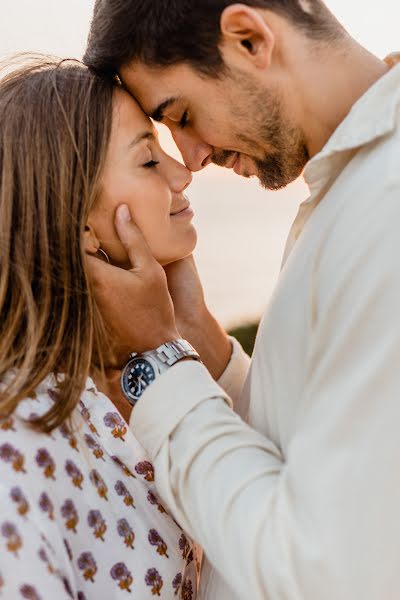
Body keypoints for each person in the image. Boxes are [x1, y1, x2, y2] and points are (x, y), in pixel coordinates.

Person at [83, 1, 400, 599]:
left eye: (182, 114)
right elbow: (319, 448)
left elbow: (325, 575)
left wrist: (156, 361)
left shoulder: (386, 207)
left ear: (250, 38)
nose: (192, 159)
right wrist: (206, 348)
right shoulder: (353, 194)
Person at [0, 55, 232, 599]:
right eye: (150, 161)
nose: (182, 172)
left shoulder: (129, 395)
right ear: (78, 220)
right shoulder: (18, 444)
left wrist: (188, 332)